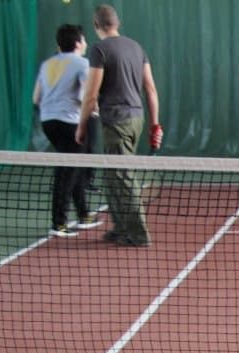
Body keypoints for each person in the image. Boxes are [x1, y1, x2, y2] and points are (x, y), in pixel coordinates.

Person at [76, 4, 161, 248]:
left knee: (122, 176)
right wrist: (155, 125)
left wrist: (81, 126)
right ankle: (121, 227)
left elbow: (90, 94)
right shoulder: (136, 47)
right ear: (118, 23)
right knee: (111, 174)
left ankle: (138, 234)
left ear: (95, 25)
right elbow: (151, 89)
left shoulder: (99, 49)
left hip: (117, 121)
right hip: (136, 119)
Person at [33, 24, 101, 238]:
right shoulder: (82, 63)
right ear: (78, 43)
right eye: (84, 40)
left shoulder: (47, 64)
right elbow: (86, 95)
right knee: (68, 171)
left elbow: (36, 98)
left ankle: (83, 214)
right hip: (70, 123)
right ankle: (59, 223)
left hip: (48, 122)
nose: (86, 43)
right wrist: (96, 110)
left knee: (75, 167)